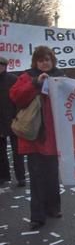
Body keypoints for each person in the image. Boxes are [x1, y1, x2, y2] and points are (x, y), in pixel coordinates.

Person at [9, 46, 63, 230]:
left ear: (53, 61)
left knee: (52, 175)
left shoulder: (61, 77)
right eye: (41, 60)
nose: (45, 63)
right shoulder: (27, 77)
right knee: (37, 177)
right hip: (36, 138)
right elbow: (16, 97)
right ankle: (37, 216)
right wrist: (35, 83)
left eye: (47, 59)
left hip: (55, 137)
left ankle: (53, 207)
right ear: (35, 62)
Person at [0, 56, 26, 187]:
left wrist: (18, 115)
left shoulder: (13, 79)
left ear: (5, 66)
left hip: (14, 119)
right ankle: (4, 176)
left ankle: (21, 177)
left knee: (18, 150)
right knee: (1, 151)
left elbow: (20, 99)